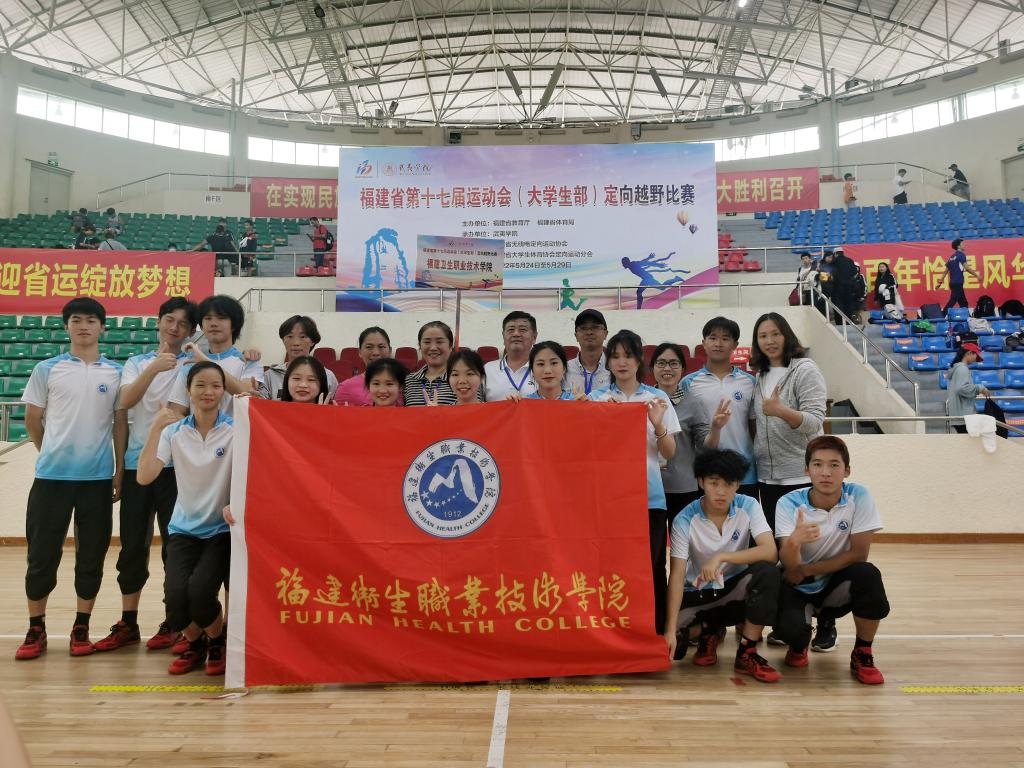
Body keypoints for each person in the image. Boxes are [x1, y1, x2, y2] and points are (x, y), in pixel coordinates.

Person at [15, 298, 127, 660]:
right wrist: (49, 453)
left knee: (91, 555)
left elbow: (120, 424)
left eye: (91, 320)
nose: (83, 326)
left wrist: (118, 470)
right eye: (76, 320)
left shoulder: (116, 372)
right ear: (66, 326)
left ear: (102, 327)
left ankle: (82, 626)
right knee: (41, 555)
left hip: (97, 480)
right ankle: (36, 628)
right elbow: (33, 419)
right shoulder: (46, 369)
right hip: (51, 479)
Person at [97, 298, 199, 654]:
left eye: (182, 324)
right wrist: (154, 368)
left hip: (178, 470)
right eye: (169, 320)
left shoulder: (193, 365)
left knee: (176, 549)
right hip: (136, 466)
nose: (174, 327)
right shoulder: (137, 363)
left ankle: (176, 622)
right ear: (158, 322)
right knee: (132, 547)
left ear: (191, 331)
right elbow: (125, 401)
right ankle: (128, 622)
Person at [137, 362, 233, 676]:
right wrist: (155, 429)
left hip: (220, 530)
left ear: (223, 391)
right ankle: (195, 644)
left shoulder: (236, 430)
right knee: (175, 600)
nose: (208, 392)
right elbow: (144, 476)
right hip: (183, 529)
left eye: (216, 385)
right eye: (200, 385)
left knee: (201, 593)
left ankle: (216, 642)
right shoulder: (174, 432)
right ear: (188, 390)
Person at [773, 436, 890, 685]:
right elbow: (790, 567)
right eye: (817, 464)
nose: (825, 472)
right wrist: (794, 541)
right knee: (789, 633)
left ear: (847, 471)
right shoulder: (788, 502)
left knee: (867, 573)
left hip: (836, 585)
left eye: (834, 465)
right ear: (807, 470)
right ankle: (798, 643)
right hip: (798, 586)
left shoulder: (859, 495)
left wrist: (809, 570)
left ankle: (862, 652)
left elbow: (859, 554)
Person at [663, 449, 781, 683]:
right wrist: (669, 630)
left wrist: (722, 557)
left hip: (736, 590)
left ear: (738, 484)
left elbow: (770, 552)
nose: (720, 491)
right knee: (674, 645)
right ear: (701, 482)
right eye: (713, 483)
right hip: (699, 593)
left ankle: (747, 651)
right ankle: (709, 629)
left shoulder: (748, 505)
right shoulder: (684, 519)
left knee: (768, 573)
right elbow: (676, 575)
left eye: (728, 484)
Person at [591, 330, 679, 633]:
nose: (622, 362)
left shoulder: (657, 399)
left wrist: (658, 425)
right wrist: (606, 419)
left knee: (651, 567)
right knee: (611, 567)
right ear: (608, 362)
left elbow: (670, 452)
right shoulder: (597, 400)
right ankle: (612, 631)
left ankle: (654, 632)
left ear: (640, 360)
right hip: (609, 501)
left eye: (628, 355)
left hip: (649, 498)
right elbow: (588, 450)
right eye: (615, 356)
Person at [749, 312, 826, 530]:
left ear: (787, 335)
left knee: (804, 541)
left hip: (801, 475)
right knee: (778, 541)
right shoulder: (760, 376)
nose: (769, 341)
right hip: (767, 477)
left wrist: (781, 411)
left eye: (776, 334)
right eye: (763, 336)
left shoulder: (805, 369)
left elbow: (815, 421)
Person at [680, 317, 758, 499]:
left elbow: (754, 427)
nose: (718, 343)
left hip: (744, 472)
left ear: (735, 345)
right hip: (706, 472)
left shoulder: (749, 382)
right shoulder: (688, 383)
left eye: (725, 338)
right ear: (704, 343)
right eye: (713, 338)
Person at [168, 295, 263, 418]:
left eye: (221, 318)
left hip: (237, 430)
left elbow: (245, 394)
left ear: (234, 324)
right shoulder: (191, 363)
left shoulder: (249, 361)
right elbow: (176, 411)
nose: (213, 323)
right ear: (202, 326)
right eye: (208, 318)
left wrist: (206, 362)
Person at [652, 343, 700, 519]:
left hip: (683, 486)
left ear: (683, 369)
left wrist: (717, 427)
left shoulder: (693, 403)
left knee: (683, 536)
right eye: (661, 363)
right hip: (650, 485)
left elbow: (705, 444)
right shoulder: (643, 400)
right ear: (652, 367)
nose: (667, 368)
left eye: (673, 363)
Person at [260, 315, 337, 402]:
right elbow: (259, 406)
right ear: (283, 340)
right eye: (290, 336)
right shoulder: (270, 376)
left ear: (312, 341)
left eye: (302, 337)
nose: (296, 343)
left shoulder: (328, 376)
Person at [484, 311, 538, 401]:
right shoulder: (487, 369)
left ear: (534, 337)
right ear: (503, 336)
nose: (516, 334)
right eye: (510, 330)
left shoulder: (543, 370)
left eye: (522, 329)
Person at [334, 327, 396, 406]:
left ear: (390, 351)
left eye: (381, 347)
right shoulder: (345, 388)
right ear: (360, 352)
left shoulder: (404, 386)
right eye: (369, 347)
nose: (376, 353)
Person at [404, 321, 457, 406]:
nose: (433, 348)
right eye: (427, 342)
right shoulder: (408, 381)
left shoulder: (462, 380)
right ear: (420, 347)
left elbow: (473, 410)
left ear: (450, 346)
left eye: (439, 342)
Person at [946, 343, 991, 433]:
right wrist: (980, 388)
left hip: (959, 415)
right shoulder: (962, 369)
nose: (975, 360)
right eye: (975, 356)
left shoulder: (957, 368)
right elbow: (962, 388)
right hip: (964, 416)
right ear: (969, 353)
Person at [516, 341, 582, 401]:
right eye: (541, 364)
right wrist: (512, 404)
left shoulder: (576, 401)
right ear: (532, 371)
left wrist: (583, 406)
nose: (547, 371)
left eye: (554, 363)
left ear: (564, 368)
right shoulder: (525, 403)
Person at [566, 309, 610, 396]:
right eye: (583, 328)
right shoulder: (564, 369)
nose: (589, 332)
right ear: (576, 336)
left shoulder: (615, 369)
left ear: (605, 334)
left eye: (595, 327)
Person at [938, 238, 980, 311]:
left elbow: (946, 271)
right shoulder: (961, 255)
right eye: (962, 244)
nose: (964, 245)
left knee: (963, 303)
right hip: (958, 282)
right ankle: (942, 315)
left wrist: (940, 282)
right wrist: (977, 275)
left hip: (953, 283)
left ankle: (967, 316)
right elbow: (967, 268)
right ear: (958, 246)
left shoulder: (951, 257)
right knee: (952, 301)